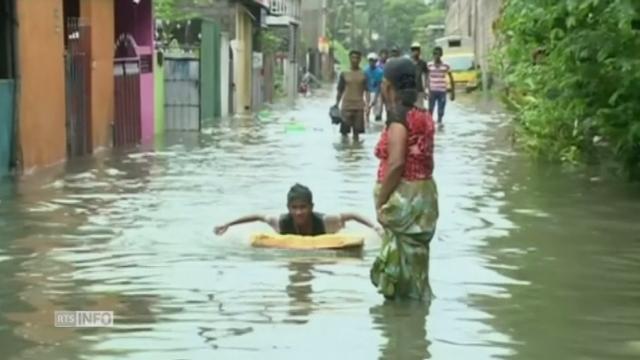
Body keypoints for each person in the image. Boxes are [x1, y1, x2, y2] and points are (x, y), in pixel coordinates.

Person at [371, 57, 439, 301]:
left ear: (388, 87)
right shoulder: (424, 115)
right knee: (416, 263)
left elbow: (397, 163)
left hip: (405, 196)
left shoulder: (398, 117)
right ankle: (416, 324)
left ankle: (400, 325)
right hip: (425, 196)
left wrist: (381, 200)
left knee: (398, 270)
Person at [214, 184, 380, 236]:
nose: (299, 212)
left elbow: (351, 214)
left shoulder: (325, 222)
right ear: (288, 209)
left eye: (303, 208)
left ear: (311, 207)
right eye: (294, 208)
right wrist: (228, 224)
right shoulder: (281, 223)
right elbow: (258, 216)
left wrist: (375, 227)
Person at [336, 50, 370, 141]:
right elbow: (340, 90)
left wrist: (367, 105)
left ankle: (356, 152)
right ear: (349, 58)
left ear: (360, 60)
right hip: (346, 107)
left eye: (357, 58)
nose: (355, 60)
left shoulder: (364, 74)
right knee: (344, 134)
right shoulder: (344, 73)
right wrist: (336, 104)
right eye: (353, 57)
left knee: (357, 134)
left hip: (359, 107)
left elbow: (367, 91)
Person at [427, 46, 455, 124]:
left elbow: (451, 79)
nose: (437, 56)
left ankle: (439, 124)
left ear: (441, 54)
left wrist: (453, 93)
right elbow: (426, 78)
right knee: (430, 110)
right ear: (433, 55)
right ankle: (430, 125)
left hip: (442, 91)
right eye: (435, 54)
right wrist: (427, 90)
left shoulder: (446, 65)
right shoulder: (429, 65)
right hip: (432, 91)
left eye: (438, 54)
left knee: (441, 111)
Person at [365, 53, 385, 122]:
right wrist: (367, 99)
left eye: (373, 61)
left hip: (377, 93)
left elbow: (380, 85)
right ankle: (367, 122)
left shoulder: (380, 72)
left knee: (377, 113)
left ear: (376, 61)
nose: (371, 62)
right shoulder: (365, 71)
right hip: (368, 92)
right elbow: (365, 85)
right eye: (370, 61)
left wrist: (375, 98)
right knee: (367, 110)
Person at [410, 42, 429, 109]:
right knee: (411, 108)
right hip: (410, 89)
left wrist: (426, 87)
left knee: (420, 108)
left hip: (419, 89)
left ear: (419, 51)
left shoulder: (422, 63)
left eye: (417, 50)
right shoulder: (408, 62)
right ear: (411, 51)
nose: (415, 52)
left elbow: (427, 74)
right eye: (414, 50)